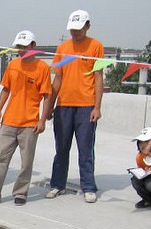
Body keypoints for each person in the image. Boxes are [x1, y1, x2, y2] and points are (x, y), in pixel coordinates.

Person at [0, 30, 52, 206]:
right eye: (19, 47)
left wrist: (42, 120)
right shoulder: (13, 65)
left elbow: (47, 96)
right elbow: (6, 89)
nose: (21, 51)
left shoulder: (42, 68)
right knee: (1, 159)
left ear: (33, 46)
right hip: (9, 121)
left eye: (25, 47)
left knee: (26, 162)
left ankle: (20, 193)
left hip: (30, 123)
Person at [45, 10, 104, 203]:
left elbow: (98, 77)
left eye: (78, 29)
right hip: (63, 106)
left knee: (85, 149)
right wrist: (49, 107)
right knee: (61, 148)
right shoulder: (63, 47)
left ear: (88, 26)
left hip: (86, 106)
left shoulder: (96, 47)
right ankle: (57, 184)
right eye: (72, 29)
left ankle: (88, 186)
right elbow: (57, 79)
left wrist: (97, 107)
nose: (75, 33)